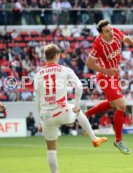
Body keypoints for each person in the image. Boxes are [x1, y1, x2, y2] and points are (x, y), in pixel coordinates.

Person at [34, 44, 107, 173]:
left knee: (51, 148)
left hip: (46, 116)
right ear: (57, 55)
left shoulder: (38, 74)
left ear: (45, 57)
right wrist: (77, 105)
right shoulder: (64, 70)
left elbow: (38, 99)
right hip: (62, 111)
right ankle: (94, 139)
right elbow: (79, 86)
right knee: (77, 110)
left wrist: (40, 120)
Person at [85, 19, 133, 154]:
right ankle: (118, 140)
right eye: (107, 31)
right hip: (105, 77)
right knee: (121, 105)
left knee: (113, 104)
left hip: (114, 76)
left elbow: (127, 38)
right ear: (101, 34)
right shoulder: (98, 45)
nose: (111, 32)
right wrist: (106, 71)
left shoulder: (116, 33)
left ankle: (85, 115)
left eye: (111, 29)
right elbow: (89, 63)